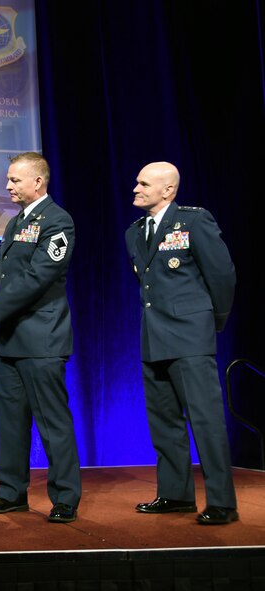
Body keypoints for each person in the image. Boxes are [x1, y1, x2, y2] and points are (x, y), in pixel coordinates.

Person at [0, 152, 82, 523]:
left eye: (14, 180)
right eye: (8, 180)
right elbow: (0, 264)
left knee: (52, 422)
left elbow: (37, 278)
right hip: (11, 341)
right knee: (11, 423)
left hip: (42, 339)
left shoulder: (58, 222)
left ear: (38, 182)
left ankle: (65, 498)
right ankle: (11, 492)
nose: (8, 186)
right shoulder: (16, 223)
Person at [125, 161, 238, 525]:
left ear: (168, 190)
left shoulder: (193, 221)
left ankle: (222, 502)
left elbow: (222, 275)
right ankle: (175, 494)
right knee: (163, 422)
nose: (136, 189)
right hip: (153, 336)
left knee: (206, 421)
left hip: (190, 336)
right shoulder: (134, 232)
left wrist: (212, 321)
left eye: (144, 184)